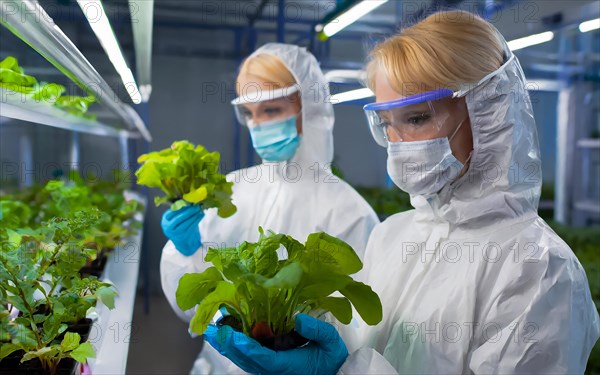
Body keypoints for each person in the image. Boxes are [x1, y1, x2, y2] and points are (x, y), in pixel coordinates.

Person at [203, 11, 600, 374]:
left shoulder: (538, 271)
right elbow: (357, 343)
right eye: (387, 123)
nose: (399, 143)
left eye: (416, 118)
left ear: (489, 111)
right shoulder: (392, 235)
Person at [159, 43, 379, 374]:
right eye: (249, 113)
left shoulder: (348, 211)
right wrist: (187, 251)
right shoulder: (232, 190)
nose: (258, 124)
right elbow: (194, 305)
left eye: (271, 110)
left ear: (310, 107)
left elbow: (360, 336)